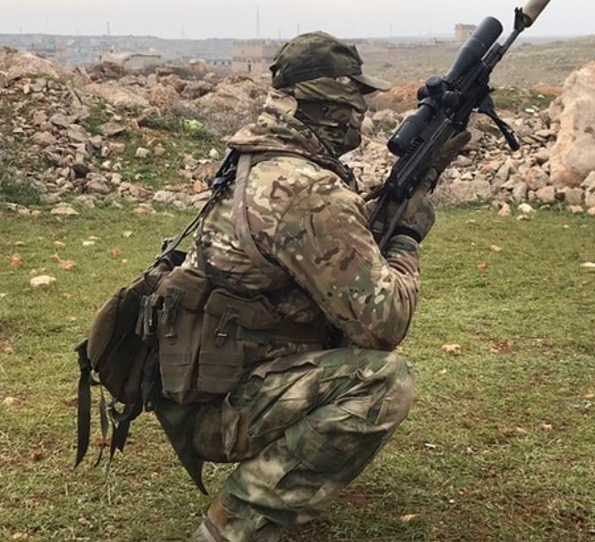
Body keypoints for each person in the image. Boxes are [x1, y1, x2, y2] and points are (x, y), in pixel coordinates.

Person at [153, 31, 437, 542]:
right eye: (355, 99)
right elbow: (384, 322)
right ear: (330, 105)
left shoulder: (261, 159)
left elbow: (320, 247)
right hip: (221, 408)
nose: (362, 112)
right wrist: (407, 238)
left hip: (202, 386)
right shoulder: (306, 188)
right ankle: (234, 525)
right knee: (381, 382)